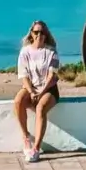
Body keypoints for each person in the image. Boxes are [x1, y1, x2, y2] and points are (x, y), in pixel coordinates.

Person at [13, 20, 60, 162]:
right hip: (31, 87)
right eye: (36, 32)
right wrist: (32, 91)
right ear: (31, 34)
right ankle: (26, 137)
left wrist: (41, 91)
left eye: (42, 32)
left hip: (48, 89)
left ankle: (36, 149)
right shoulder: (25, 52)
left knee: (40, 108)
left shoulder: (52, 52)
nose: (39, 35)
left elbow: (52, 76)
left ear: (46, 35)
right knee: (18, 101)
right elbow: (24, 75)